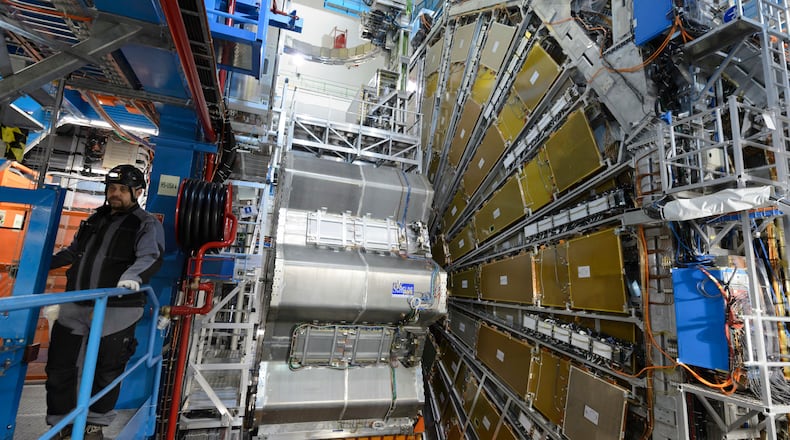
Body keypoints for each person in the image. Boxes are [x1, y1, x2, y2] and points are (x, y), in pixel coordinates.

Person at [46, 164, 165, 440]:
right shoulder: (94, 220)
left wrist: (132, 277)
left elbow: (150, 256)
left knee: (106, 369)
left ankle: (93, 426)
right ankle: (61, 424)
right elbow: (73, 252)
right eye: (112, 188)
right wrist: (43, 264)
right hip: (77, 303)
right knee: (60, 365)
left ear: (137, 192)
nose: (115, 194)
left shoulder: (146, 224)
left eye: (123, 189)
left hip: (117, 309)